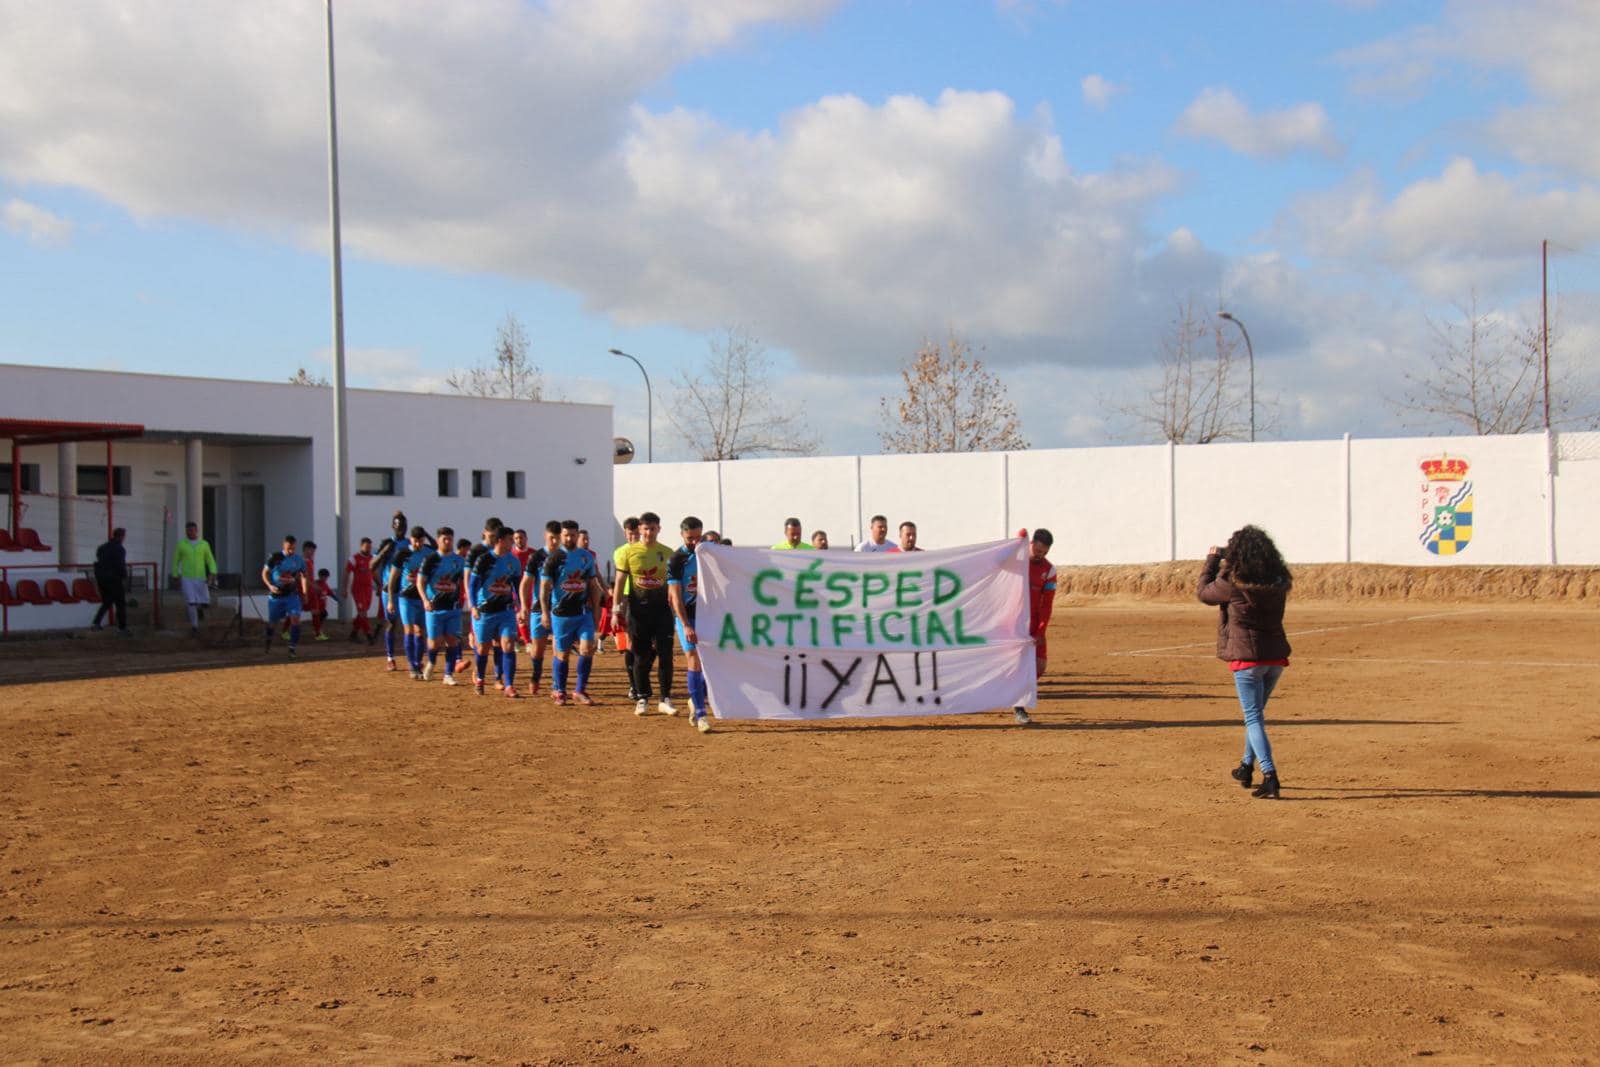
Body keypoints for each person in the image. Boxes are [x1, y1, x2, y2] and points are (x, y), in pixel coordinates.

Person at [1197, 525, 1293, 800]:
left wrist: (1214, 561)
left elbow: (1204, 593)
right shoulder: (1277, 580)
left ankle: (1270, 775)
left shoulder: (1232, 582)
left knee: (1253, 718)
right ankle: (1245, 766)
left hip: (1246, 659)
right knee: (1256, 718)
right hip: (1274, 657)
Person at [612, 510, 677, 716]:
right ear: (640, 529)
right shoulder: (628, 553)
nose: (649, 532)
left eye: (653, 528)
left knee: (666, 655)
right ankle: (642, 698)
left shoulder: (668, 553)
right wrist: (615, 610)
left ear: (659, 529)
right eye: (645, 528)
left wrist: (677, 610)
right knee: (640, 656)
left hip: (663, 612)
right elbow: (620, 583)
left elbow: (675, 585)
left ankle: (665, 698)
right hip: (638, 612)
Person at [540, 520, 605, 706]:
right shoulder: (553, 558)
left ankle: (579, 690)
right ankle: (559, 690)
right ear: (561, 535)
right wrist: (544, 613)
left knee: (587, 649)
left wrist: (596, 612)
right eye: (566, 535)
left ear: (578, 535)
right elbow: (544, 588)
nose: (569, 538)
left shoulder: (586, 557)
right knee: (563, 654)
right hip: (561, 615)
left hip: (583, 613)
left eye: (573, 535)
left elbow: (593, 585)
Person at [669, 516, 712, 733]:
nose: (694, 543)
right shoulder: (676, 560)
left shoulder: (709, 553)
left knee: (709, 663)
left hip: (710, 616)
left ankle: (695, 700)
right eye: (689, 539)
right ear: (682, 535)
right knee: (694, 659)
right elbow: (675, 597)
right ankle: (702, 713)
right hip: (688, 616)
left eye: (698, 537)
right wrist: (685, 625)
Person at [1011, 528, 1057, 726]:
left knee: (1039, 666)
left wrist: (1041, 630)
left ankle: (1016, 698)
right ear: (1031, 544)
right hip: (1012, 622)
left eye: (1044, 552)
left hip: (1034, 623)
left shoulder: (1049, 570)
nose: (1040, 555)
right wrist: (1020, 538)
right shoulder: (1017, 561)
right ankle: (1018, 705)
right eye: (1038, 550)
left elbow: (1047, 604)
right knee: (1015, 664)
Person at [474, 525, 524, 697]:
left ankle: (509, 685)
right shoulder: (484, 560)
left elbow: (518, 587)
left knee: (508, 645)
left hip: (506, 611)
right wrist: (473, 606)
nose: (513, 542)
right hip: (486, 611)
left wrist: (521, 608)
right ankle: (480, 678)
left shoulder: (514, 562)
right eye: (511, 539)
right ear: (501, 540)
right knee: (483, 648)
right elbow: (473, 584)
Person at [417, 525, 466, 685]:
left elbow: (464, 580)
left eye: (450, 539)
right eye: (444, 539)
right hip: (434, 607)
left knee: (452, 640)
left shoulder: (459, 561)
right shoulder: (431, 560)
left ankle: (448, 674)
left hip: (453, 607)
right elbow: (420, 581)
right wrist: (425, 600)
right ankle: (431, 662)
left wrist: (466, 598)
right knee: (434, 642)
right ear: (438, 540)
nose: (448, 542)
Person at [395, 526, 435, 679]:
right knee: (409, 630)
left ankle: (418, 663)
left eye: (420, 541)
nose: (418, 544)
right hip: (406, 597)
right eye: (415, 541)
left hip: (421, 597)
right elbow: (394, 575)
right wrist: (391, 599)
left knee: (420, 631)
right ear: (410, 539)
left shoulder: (429, 553)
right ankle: (412, 666)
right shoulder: (404, 553)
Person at [261, 534, 307, 656]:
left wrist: (305, 592)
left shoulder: (298, 560)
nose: (291, 550)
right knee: (273, 623)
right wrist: (270, 585)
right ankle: (268, 641)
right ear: (284, 545)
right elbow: (264, 573)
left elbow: (304, 576)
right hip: (276, 596)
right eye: (289, 548)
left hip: (292, 595)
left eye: (293, 548)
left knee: (295, 619)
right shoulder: (275, 557)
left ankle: (292, 649)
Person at [612, 516, 641, 699]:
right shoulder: (620, 552)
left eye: (636, 534)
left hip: (649, 598)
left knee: (649, 646)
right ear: (625, 533)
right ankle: (634, 685)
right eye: (631, 534)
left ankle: (640, 681)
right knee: (630, 643)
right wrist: (616, 608)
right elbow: (620, 580)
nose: (634, 537)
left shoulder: (650, 550)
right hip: (629, 599)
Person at [170, 520, 217, 636]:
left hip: (201, 577)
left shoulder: (204, 544)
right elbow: (176, 560)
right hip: (187, 578)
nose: (189, 533)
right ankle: (194, 626)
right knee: (190, 602)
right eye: (187, 531)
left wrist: (213, 572)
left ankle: (202, 611)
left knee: (204, 601)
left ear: (196, 531)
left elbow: (210, 559)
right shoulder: (181, 544)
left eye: (191, 530)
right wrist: (175, 574)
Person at [90, 527, 130, 634]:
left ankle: (96, 622)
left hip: (102, 578)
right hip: (114, 579)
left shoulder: (102, 548)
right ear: (121, 537)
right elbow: (120, 565)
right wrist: (124, 576)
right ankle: (122, 627)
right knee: (120, 603)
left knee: (107, 602)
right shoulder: (119, 549)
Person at [344, 537, 377, 643]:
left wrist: (380, 585)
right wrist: (344, 588)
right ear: (361, 546)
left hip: (368, 589)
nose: (368, 549)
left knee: (363, 611)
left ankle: (353, 633)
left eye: (370, 547)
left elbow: (374, 573)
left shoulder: (372, 558)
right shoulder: (354, 558)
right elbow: (346, 573)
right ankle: (369, 635)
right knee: (362, 612)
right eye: (367, 547)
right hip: (358, 589)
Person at [310, 568, 336, 641]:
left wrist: (336, 598)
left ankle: (317, 630)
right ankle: (318, 634)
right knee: (317, 618)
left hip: (322, 607)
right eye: (325, 577)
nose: (326, 579)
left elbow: (329, 592)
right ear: (321, 576)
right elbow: (312, 594)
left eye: (327, 577)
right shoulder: (315, 584)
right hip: (316, 606)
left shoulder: (325, 584)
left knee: (324, 615)